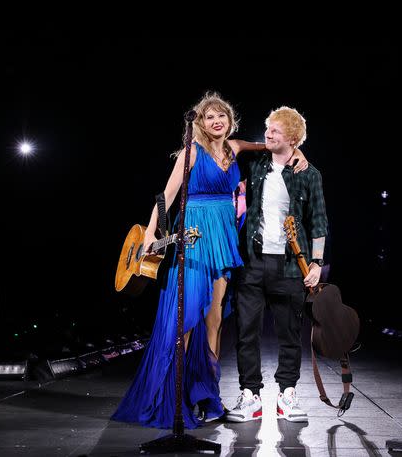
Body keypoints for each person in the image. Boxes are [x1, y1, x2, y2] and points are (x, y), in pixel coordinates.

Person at [112, 91, 306, 429]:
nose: (216, 122)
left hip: (224, 235)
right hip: (196, 234)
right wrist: (150, 233)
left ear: (230, 121)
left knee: (215, 318)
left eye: (222, 116)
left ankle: (206, 395)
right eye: (209, 117)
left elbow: (271, 147)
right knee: (186, 319)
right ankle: (175, 396)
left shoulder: (236, 147)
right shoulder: (191, 152)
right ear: (200, 122)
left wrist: (297, 151)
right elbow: (168, 194)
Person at [226, 106, 327, 423]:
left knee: (290, 333)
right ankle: (250, 396)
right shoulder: (256, 165)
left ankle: (287, 395)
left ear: (294, 138)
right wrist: (278, 146)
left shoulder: (309, 174)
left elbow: (319, 221)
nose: (268, 134)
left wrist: (316, 263)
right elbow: (232, 145)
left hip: (289, 265)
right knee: (247, 332)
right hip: (253, 261)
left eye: (276, 131)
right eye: (267, 128)